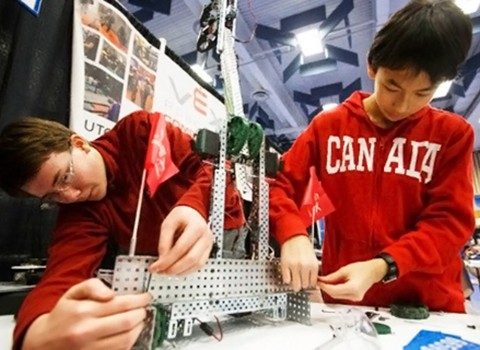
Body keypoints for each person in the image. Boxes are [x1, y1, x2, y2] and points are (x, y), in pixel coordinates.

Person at [269, 0, 475, 312]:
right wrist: (292, 234)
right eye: (392, 85)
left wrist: (383, 266)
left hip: (427, 306)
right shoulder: (329, 127)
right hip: (346, 305)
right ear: (372, 66)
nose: (403, 105)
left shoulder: (452, 135)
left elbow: (448, 223)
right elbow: (278, 183)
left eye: (423, 94)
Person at [0, 111, 244, 349]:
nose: (71, 196)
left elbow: (214, 169)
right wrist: (35, 334)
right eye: (52, 196)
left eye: (64, 177)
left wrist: (195, 207)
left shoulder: (140, 131)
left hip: (224, 234)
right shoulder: (81, 212)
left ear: (79, 144)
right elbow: (61, 275)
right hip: (168, 263)